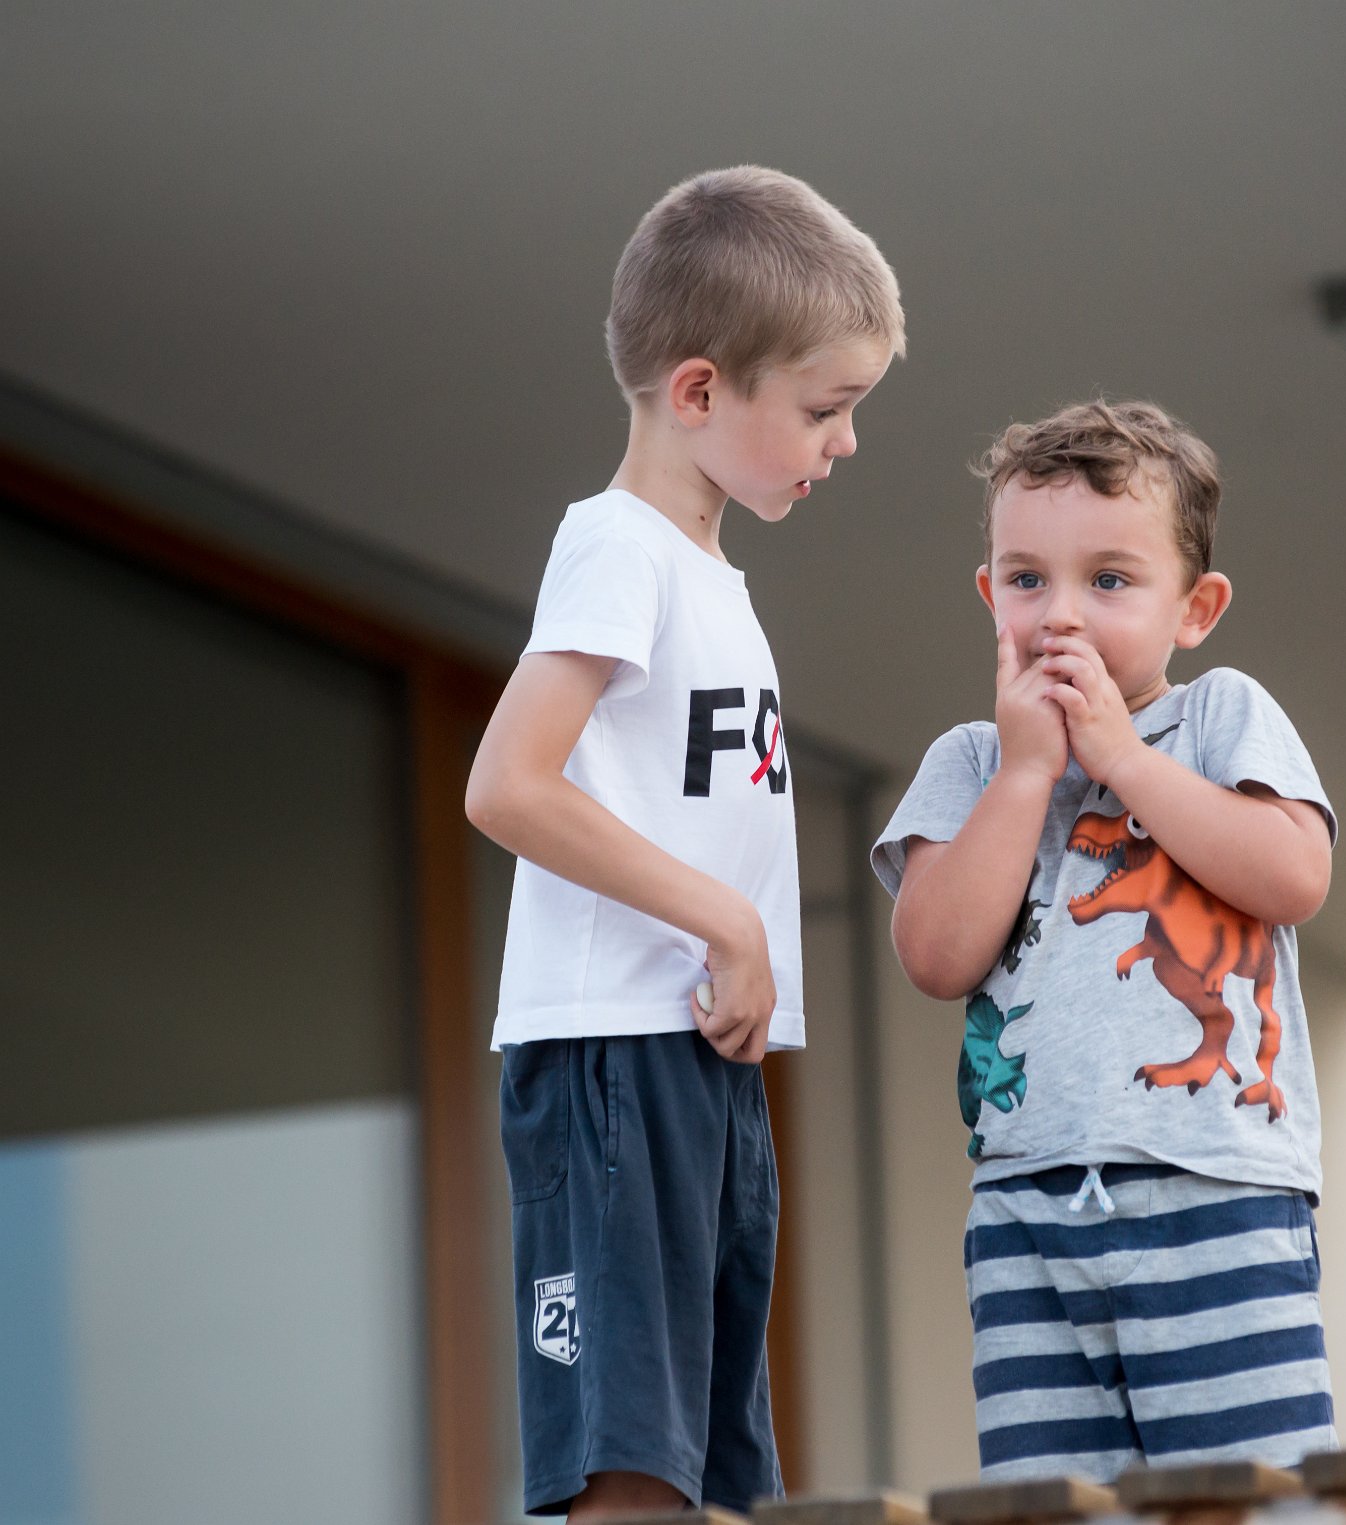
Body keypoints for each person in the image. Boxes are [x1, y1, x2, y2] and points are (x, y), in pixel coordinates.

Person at [465, 165, 901, 1520]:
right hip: (615, 1050)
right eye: (824, 409)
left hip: (699, 1060)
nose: (844, 443)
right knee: (632, 1467)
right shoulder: (619, 547)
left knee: (717, 1474)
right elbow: (507, 784)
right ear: (701, 391)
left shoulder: (708, 575)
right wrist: (727, 920)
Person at [872, 399, 1337, 1480]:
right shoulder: (971, 761)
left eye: (1110, 580)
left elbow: (1294, 874)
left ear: (1194, 608)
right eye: (1028, 579)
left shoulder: (1219, 716)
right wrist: (1028, 771)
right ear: (989, 596)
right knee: (1045, 1498)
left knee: (1245, 1497)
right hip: (1026, 1214)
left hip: (1214, 1190)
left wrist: (1123, 759)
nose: (1062, 617)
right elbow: (934, 955)